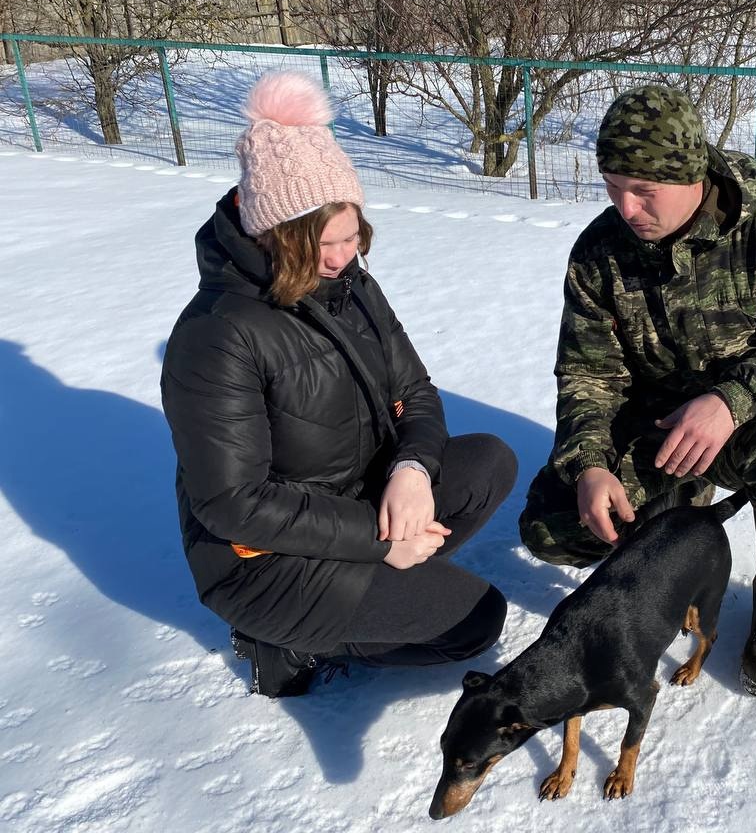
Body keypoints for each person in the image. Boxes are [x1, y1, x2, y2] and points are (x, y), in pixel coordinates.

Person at [162, 71, 516, 698]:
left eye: (353, 236)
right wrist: (379, 543)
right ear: (274, 234)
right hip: (265, 560)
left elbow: (419, 393)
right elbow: (234, 504)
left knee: (489, 461)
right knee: (476, 622)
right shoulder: (217, 334)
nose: (344, 256)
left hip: (353, 499)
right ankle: (286, 643)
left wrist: (410, 469)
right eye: (324, 244)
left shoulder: (351, 285)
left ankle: (396, 582)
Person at [518, 84, 756, 700]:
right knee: (553, 525)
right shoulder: (599, 253)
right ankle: (669, 524)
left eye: (644, 191)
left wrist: (732, 401)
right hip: (652, 425)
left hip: (749, 422)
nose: (626, 207)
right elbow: (588, 375)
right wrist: (591, 465)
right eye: (613, 187)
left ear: (694, 174)